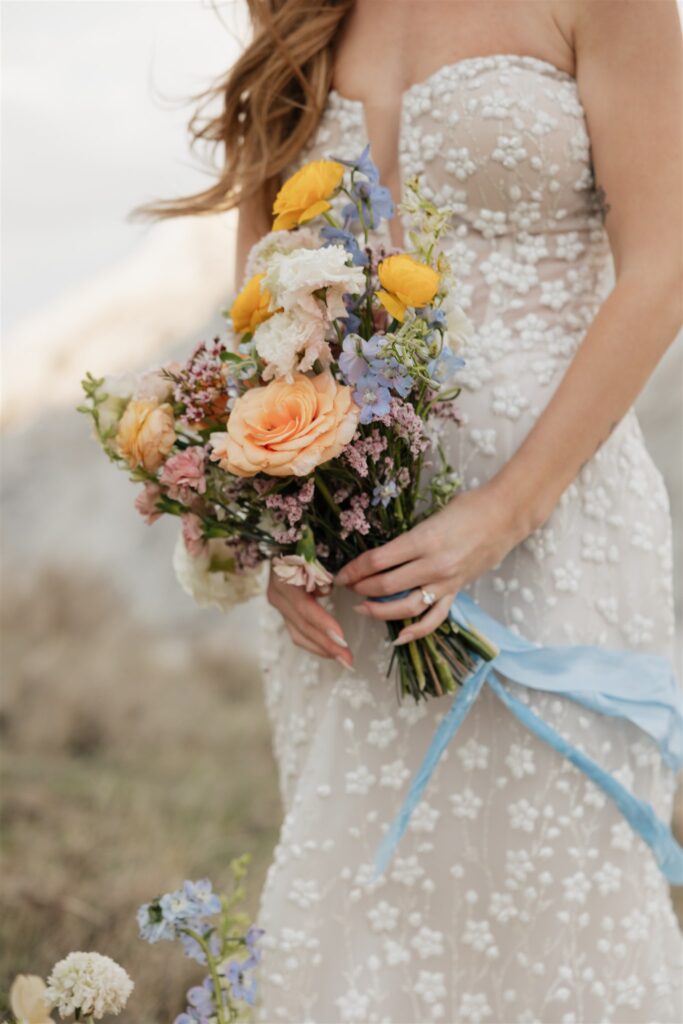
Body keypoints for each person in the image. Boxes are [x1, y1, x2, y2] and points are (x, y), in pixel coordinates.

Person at [134, 1, 683, 1020]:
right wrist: (267, 530)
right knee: (365, 922)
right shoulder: (294, 20)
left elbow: (661, 268)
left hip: (557, 539)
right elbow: (259, 304)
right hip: (351, 565)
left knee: (553, 912)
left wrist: (507, 509)